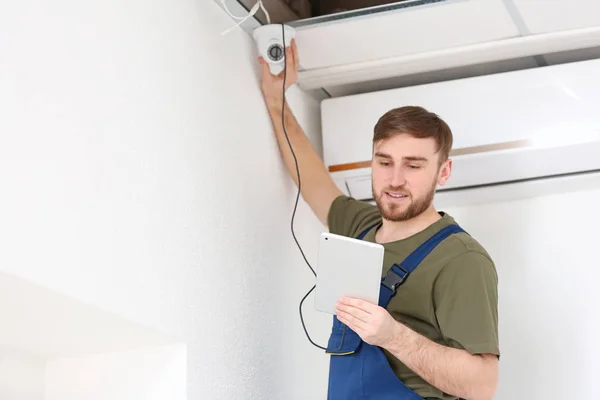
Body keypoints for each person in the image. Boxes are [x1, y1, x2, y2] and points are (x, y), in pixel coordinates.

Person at [258, 40, 500, 400]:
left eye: (413, 165)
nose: (395, 179)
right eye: (384, 162)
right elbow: (313, 181)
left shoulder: (461, 259)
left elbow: (482, 385)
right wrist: (277, 102)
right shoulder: (360, 228)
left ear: (443, 172)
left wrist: (392, 335)